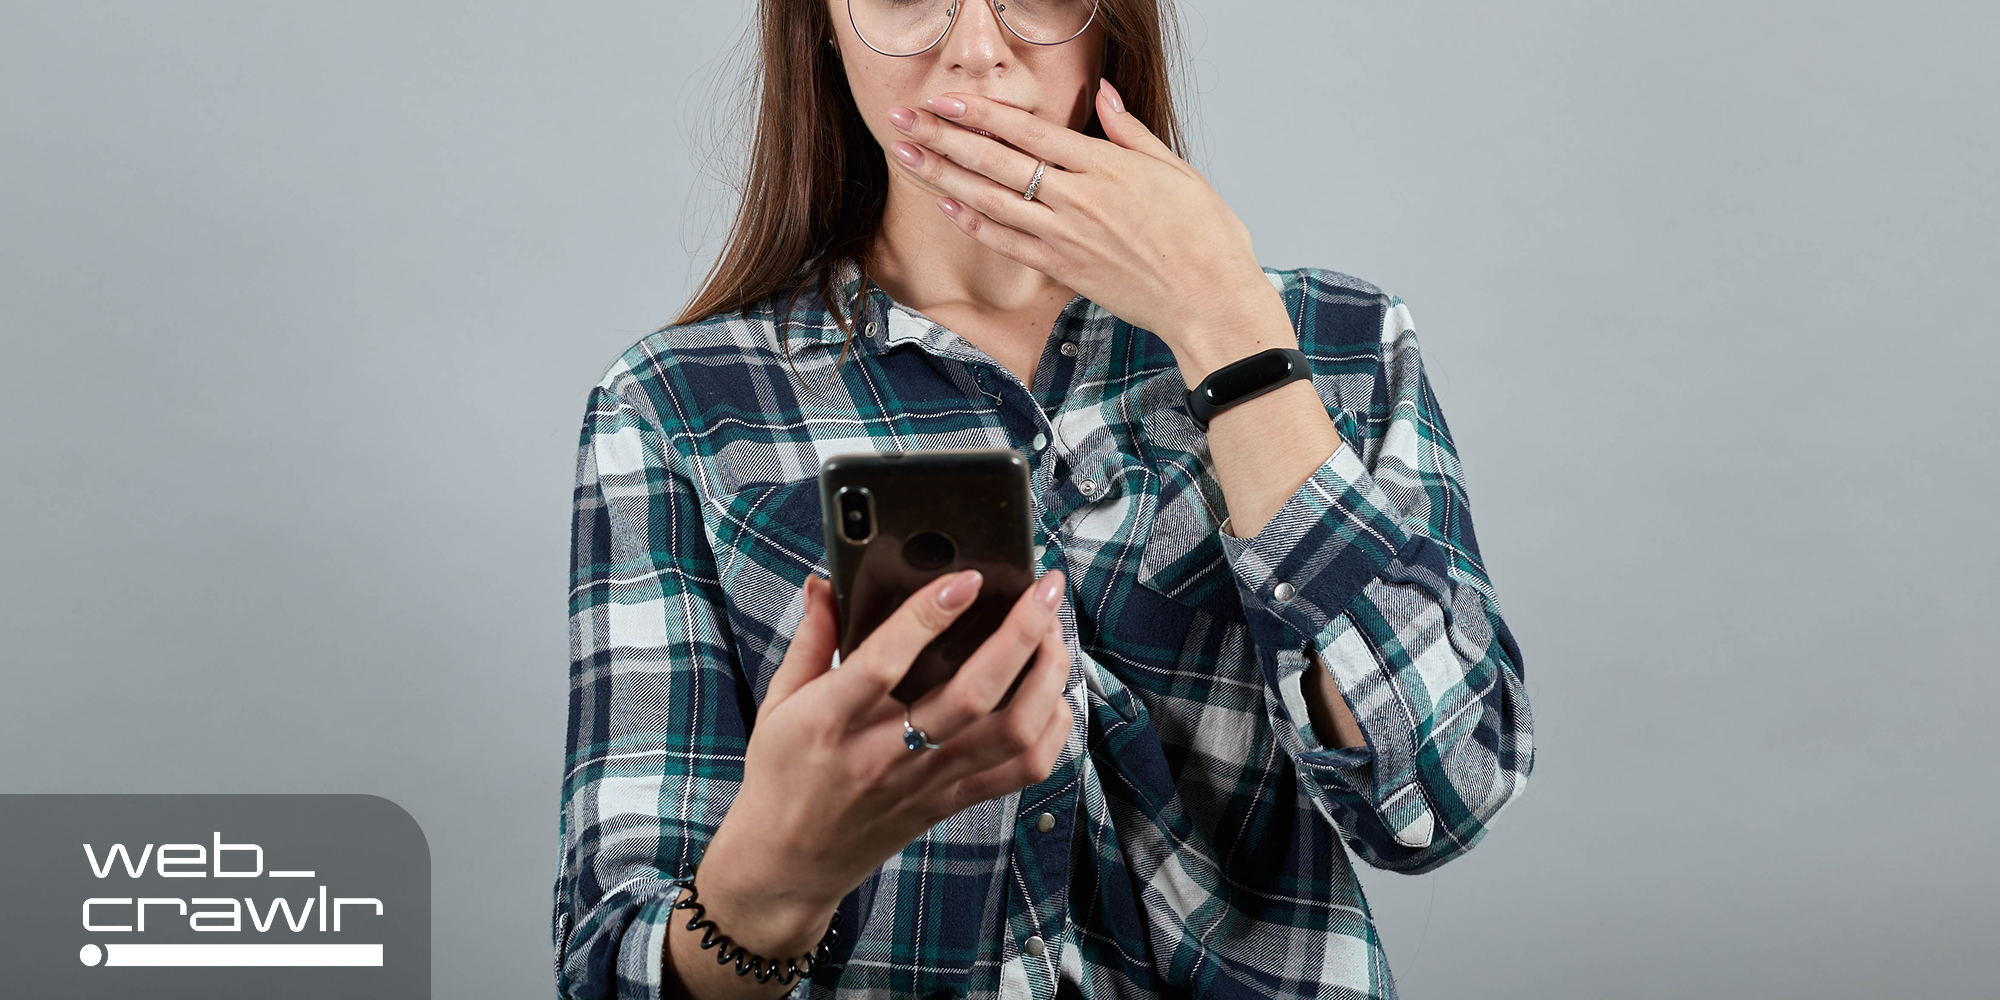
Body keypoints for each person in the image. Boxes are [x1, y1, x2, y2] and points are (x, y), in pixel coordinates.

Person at [552, 1, 1535, 998]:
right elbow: (615, 972)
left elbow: (1441, 798)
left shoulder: (1336, 342)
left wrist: (1230, 331)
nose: (976, 49)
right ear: (819, 27)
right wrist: (771, 882)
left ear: (1116, 23)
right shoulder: (675, 406)